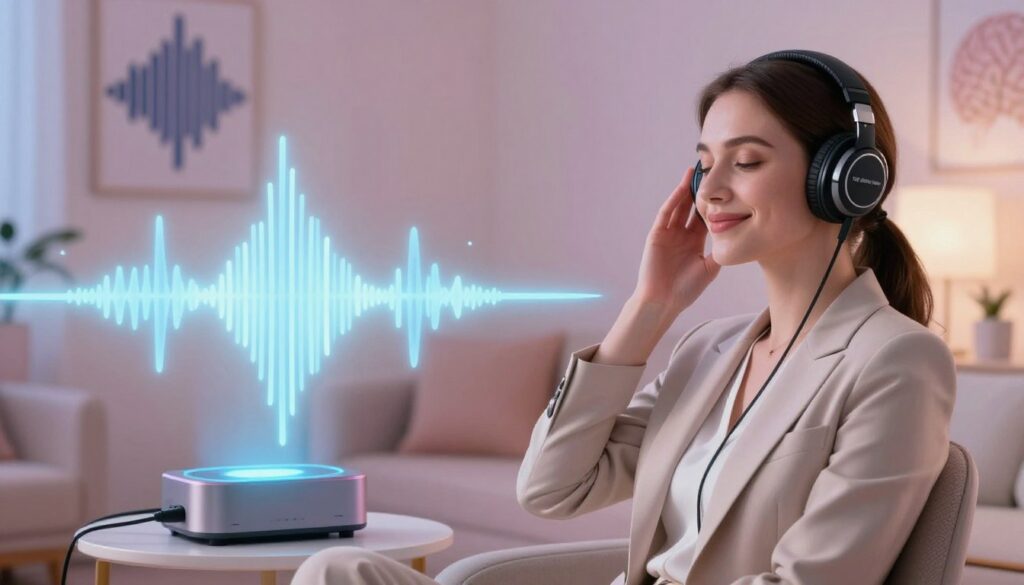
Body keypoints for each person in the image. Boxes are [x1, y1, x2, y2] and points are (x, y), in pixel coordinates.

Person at [292, 50, 956, 585]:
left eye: (747, 161)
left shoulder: (896, 360)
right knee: (335, 567)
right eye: (703, 164)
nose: (712, 188)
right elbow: (552, 487)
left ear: (844, 178)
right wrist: (650, 306)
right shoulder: (710, 349)